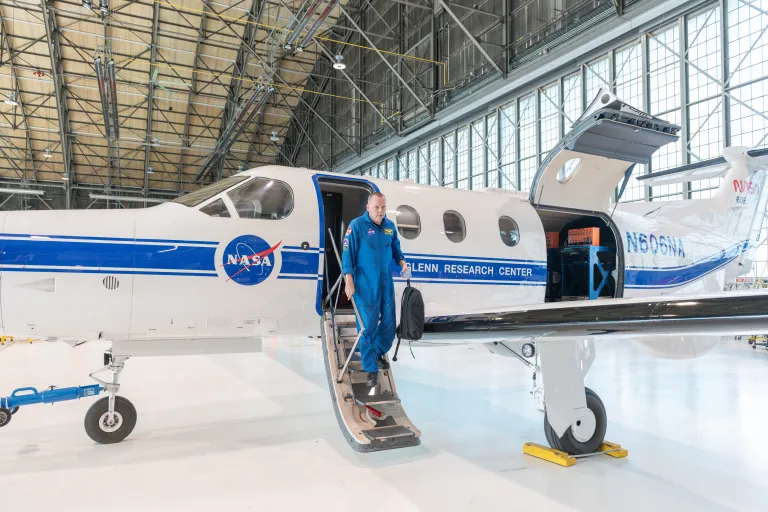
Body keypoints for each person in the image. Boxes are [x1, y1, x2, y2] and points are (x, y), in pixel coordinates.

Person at [342, 192, 410, 387]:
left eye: (383, 207)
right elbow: (347, 253)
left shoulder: (389, 227)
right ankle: (370, 369)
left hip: (385, 281)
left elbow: (396, 249)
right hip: (365, 283)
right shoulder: (357, 226)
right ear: (368, 208)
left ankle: (376, 351)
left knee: (389, 324)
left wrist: (403, 263)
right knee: (368, 327)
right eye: (376, 207)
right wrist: (349, 279)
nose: (380, 211)